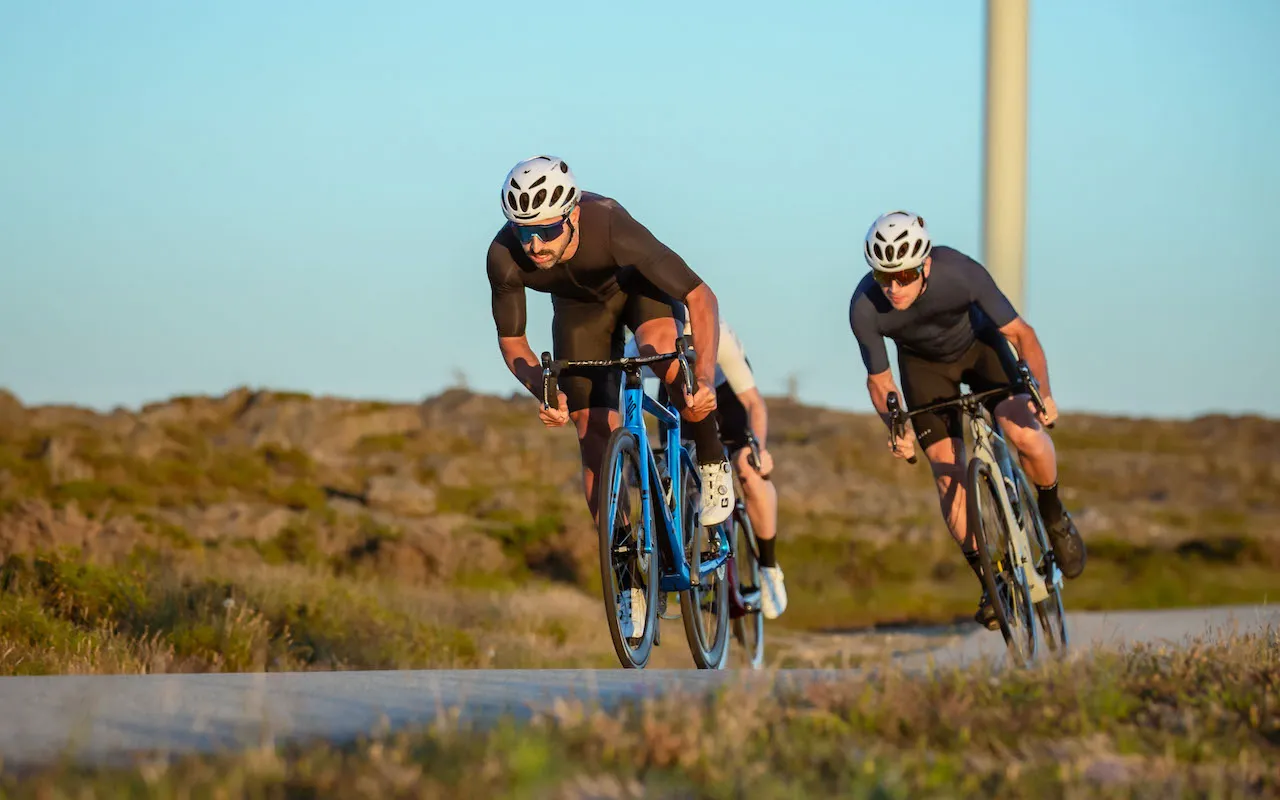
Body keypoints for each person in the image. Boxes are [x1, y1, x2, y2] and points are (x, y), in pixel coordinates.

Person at [486, 155, 736, 637]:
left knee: (664, 355)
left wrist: (703, 378)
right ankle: (627, 578)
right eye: (524, 231)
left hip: (640, 291)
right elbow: (513, 342)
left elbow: (700, 296)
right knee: (593, 432)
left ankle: (710, 460)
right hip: (581, 313)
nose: (535, 244)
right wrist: (543, 389)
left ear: (572, 215)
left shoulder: (610, 226)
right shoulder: (503, 255)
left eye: (547, 230)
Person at [847, 210, 1086, 629]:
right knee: (947, 473)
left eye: (904, 276)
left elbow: (1022, 335)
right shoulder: (863, 306)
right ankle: (991, 582)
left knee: (1023, 433)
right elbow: (880, 380)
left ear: (925, 265)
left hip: (980, 350)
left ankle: (1053, 514)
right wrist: (895, 426)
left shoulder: (959, 273)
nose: (893, 288)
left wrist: (1043, 393)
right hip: (924, 369)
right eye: (884, 277)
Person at [624, 308, 788, 619]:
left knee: (749, 469)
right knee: (675, 472)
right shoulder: (640, 344)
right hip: (677, 391)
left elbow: (754, 403)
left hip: (726, 396)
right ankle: (675, 554)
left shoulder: (720, 336)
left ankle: (768, 567)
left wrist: (760, 448)